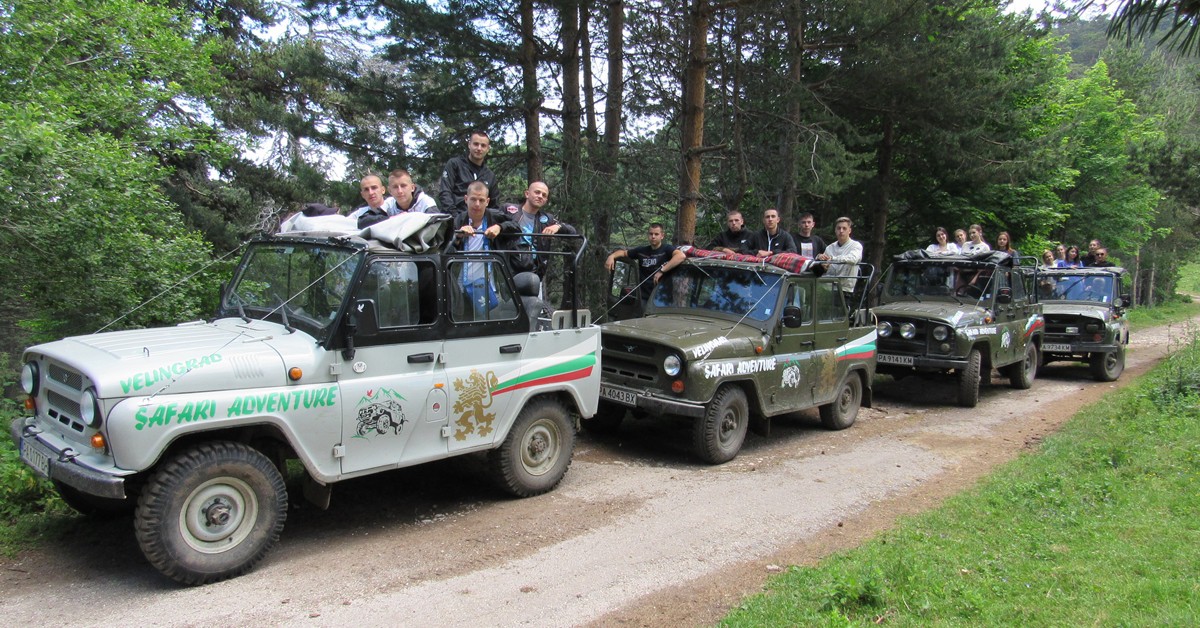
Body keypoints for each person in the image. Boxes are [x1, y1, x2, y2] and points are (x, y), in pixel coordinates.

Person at [453, 182, 516, 317]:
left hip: (490, 288)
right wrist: (458, 236)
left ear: (487, 201)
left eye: (481, 200)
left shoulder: (494, 216)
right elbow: (445, 249)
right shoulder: (458, 220)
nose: (477, 204)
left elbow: (516, 227)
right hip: (462, 288)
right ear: (466, 199)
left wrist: (499, 227)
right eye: (473, 199)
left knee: (490, 329)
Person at [503, 181, 576, 279]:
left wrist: (558, 226)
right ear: (527, 194)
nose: (540, 196)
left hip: (534, 273)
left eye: (544, 195)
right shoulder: (510, 210)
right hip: (507, 270)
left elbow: (572, 231)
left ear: (546, 200)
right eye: (537, 192)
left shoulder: (546, 219)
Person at [605, 223, 687, 302]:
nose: (653, 237)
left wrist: (662, 271)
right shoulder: (641, 251)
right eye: (651, 234)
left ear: (662, 236)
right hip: (643, 297)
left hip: (662, 297)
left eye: (656, 234)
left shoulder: (667, 249)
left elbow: (681, 256)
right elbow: (623, 253)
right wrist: (611, 256)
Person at [437, 130, 499, 215]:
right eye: (476, 144)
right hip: (453, 218)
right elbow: (445, 193)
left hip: (480, 223)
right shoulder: (454, 164)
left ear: (488, 149)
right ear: (469, 145)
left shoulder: (490, 176)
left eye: (483, 145)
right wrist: (457, 219)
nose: (479, 148)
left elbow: (494, 205)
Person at [816, 217, 863, 305]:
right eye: (839, 228)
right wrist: (821, 261)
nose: (841, 231)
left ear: (849, 230)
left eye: (844, 228)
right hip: (827, 288)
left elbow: (853, 259)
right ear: (835, 230)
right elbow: (824, 268)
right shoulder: (830, 247)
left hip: (844, 289)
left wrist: (832, 258)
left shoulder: (856, 246)